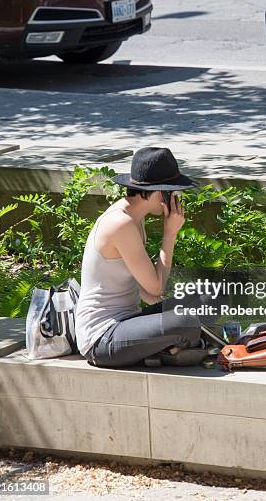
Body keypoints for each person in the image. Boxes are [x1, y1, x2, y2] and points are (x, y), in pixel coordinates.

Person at [75, 147, 203, 368]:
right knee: (186, 322)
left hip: (128, 322)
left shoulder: (134, 217)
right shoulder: (120, 223)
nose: (176, 198)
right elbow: (155, 288)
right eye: (173, 192)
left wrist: (178, 305)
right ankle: (170, 346)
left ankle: (168, 345)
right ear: (158, 192)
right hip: (103, 338)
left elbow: (145, 291)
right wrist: (170, 234)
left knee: (208, 299)